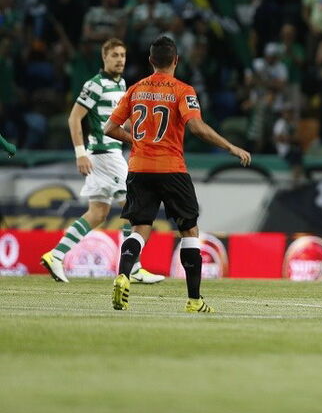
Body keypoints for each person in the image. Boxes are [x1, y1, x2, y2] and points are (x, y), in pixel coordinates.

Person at [103, 37, 251, 313]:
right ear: (176, 60)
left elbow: (109, 128)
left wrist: (137, 140)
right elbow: (196, 127)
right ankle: (194, 300)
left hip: (139, 168)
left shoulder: (135, 89)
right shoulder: (183, 90)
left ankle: (123, 274)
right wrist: (230, 146)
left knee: (140, 228)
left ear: (151, 61)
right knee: (189, 230)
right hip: (171, 168)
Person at [40, 39, 163, 285]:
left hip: (109, 154)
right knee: (134, 208)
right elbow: (74, 118)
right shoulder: (95, 84)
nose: (120, 60)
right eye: (114, 55)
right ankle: (134, 267)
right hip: (105, 154)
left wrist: (141, 136)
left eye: (123, 55)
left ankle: (56, 255)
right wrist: (80, 153)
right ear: (104, 57)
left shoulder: (122, 84)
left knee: (97, 213)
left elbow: (121, 119)